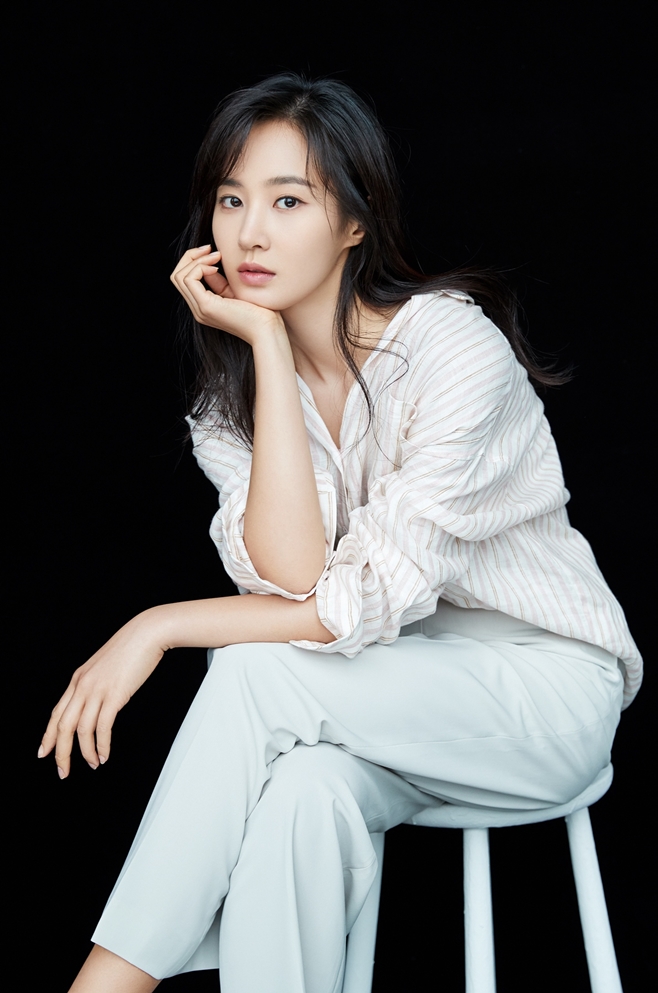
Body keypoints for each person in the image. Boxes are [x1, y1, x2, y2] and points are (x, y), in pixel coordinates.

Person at [39, 74, 641, 993]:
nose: (250, 232)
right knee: (299, 796)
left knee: (252, 671)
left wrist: (157, 625)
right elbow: (296, 579)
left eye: (288, 201)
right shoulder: (230, 404)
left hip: (541, 694)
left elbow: (348, 607)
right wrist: (269, 349)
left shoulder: (451, 350)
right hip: (384, 697)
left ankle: (107, 984)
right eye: (231, 200)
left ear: (356, 222)